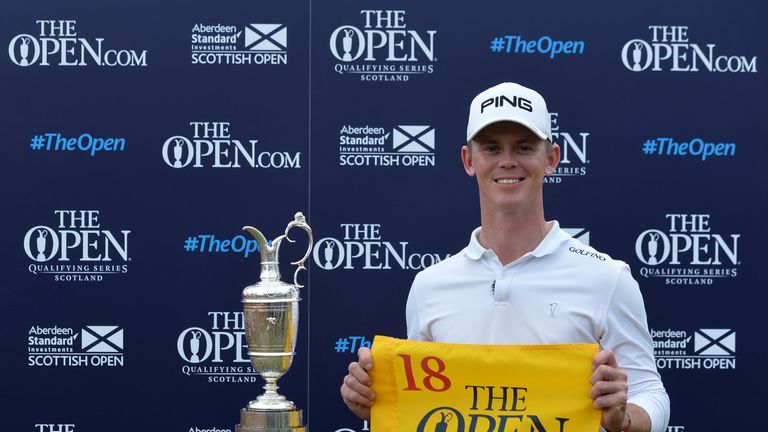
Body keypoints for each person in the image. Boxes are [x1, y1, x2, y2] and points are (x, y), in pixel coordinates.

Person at [340, 82, 670, 432]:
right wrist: (377, 404)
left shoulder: (607, 277)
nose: (507, 161)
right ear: (469, 160)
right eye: (492, 148)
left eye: (524, 147)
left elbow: (650, 392)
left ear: (551, 158)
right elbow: (423, 412)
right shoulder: (430, 285)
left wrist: (625, 419)